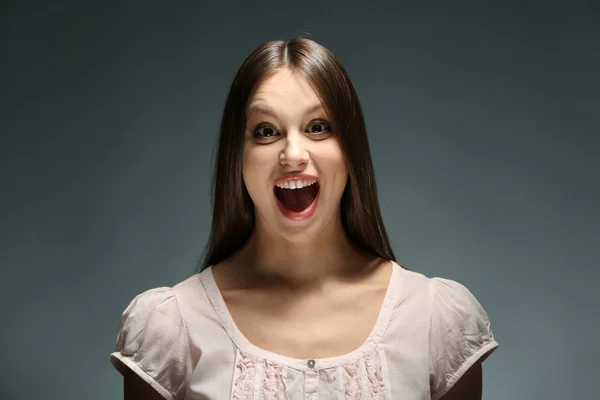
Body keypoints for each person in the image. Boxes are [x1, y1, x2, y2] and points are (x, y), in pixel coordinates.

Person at [110, 37, 499, 400]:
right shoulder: (170, 327)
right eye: (265, 131)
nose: (293, 154)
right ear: (237, 158)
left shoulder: (434, 319)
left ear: (350, 149)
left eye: (318, 127)